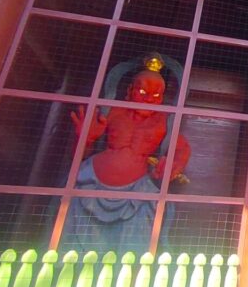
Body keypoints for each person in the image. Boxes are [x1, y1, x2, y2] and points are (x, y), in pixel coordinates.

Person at [63, 54, 190, 252]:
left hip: (137, 191)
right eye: (141, 91)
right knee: (80, 241)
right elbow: (79, 157)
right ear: (128, 91)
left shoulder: (164, 122)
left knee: (134, 246)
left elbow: (182, 148)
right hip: (93, 183)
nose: (149, 98)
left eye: (156, 96)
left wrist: (174, 165)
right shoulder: (112, 112)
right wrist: (85, 139)